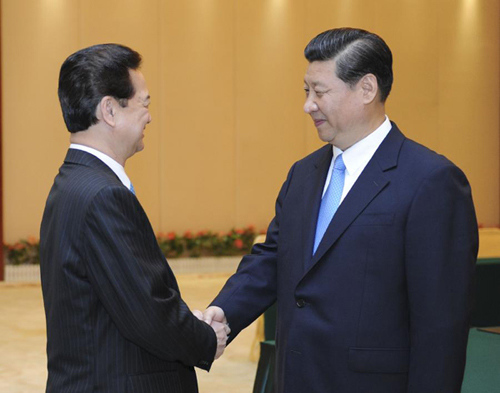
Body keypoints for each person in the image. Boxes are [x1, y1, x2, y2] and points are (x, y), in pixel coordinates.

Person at [201, 28, 478, 393]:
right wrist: (224, 312)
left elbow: (440, 327)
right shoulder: (303, 173)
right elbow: (272, 258)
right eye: (306, 91)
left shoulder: (431, 181)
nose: (308, 105)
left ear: (366, 89)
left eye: (320, 92)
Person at [40, 44, 229, 393]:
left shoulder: (72, 181)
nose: (149, 116)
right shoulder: (104, 195)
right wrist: (205, 338)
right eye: (145, 103)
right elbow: (148, 313)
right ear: (110, 110)